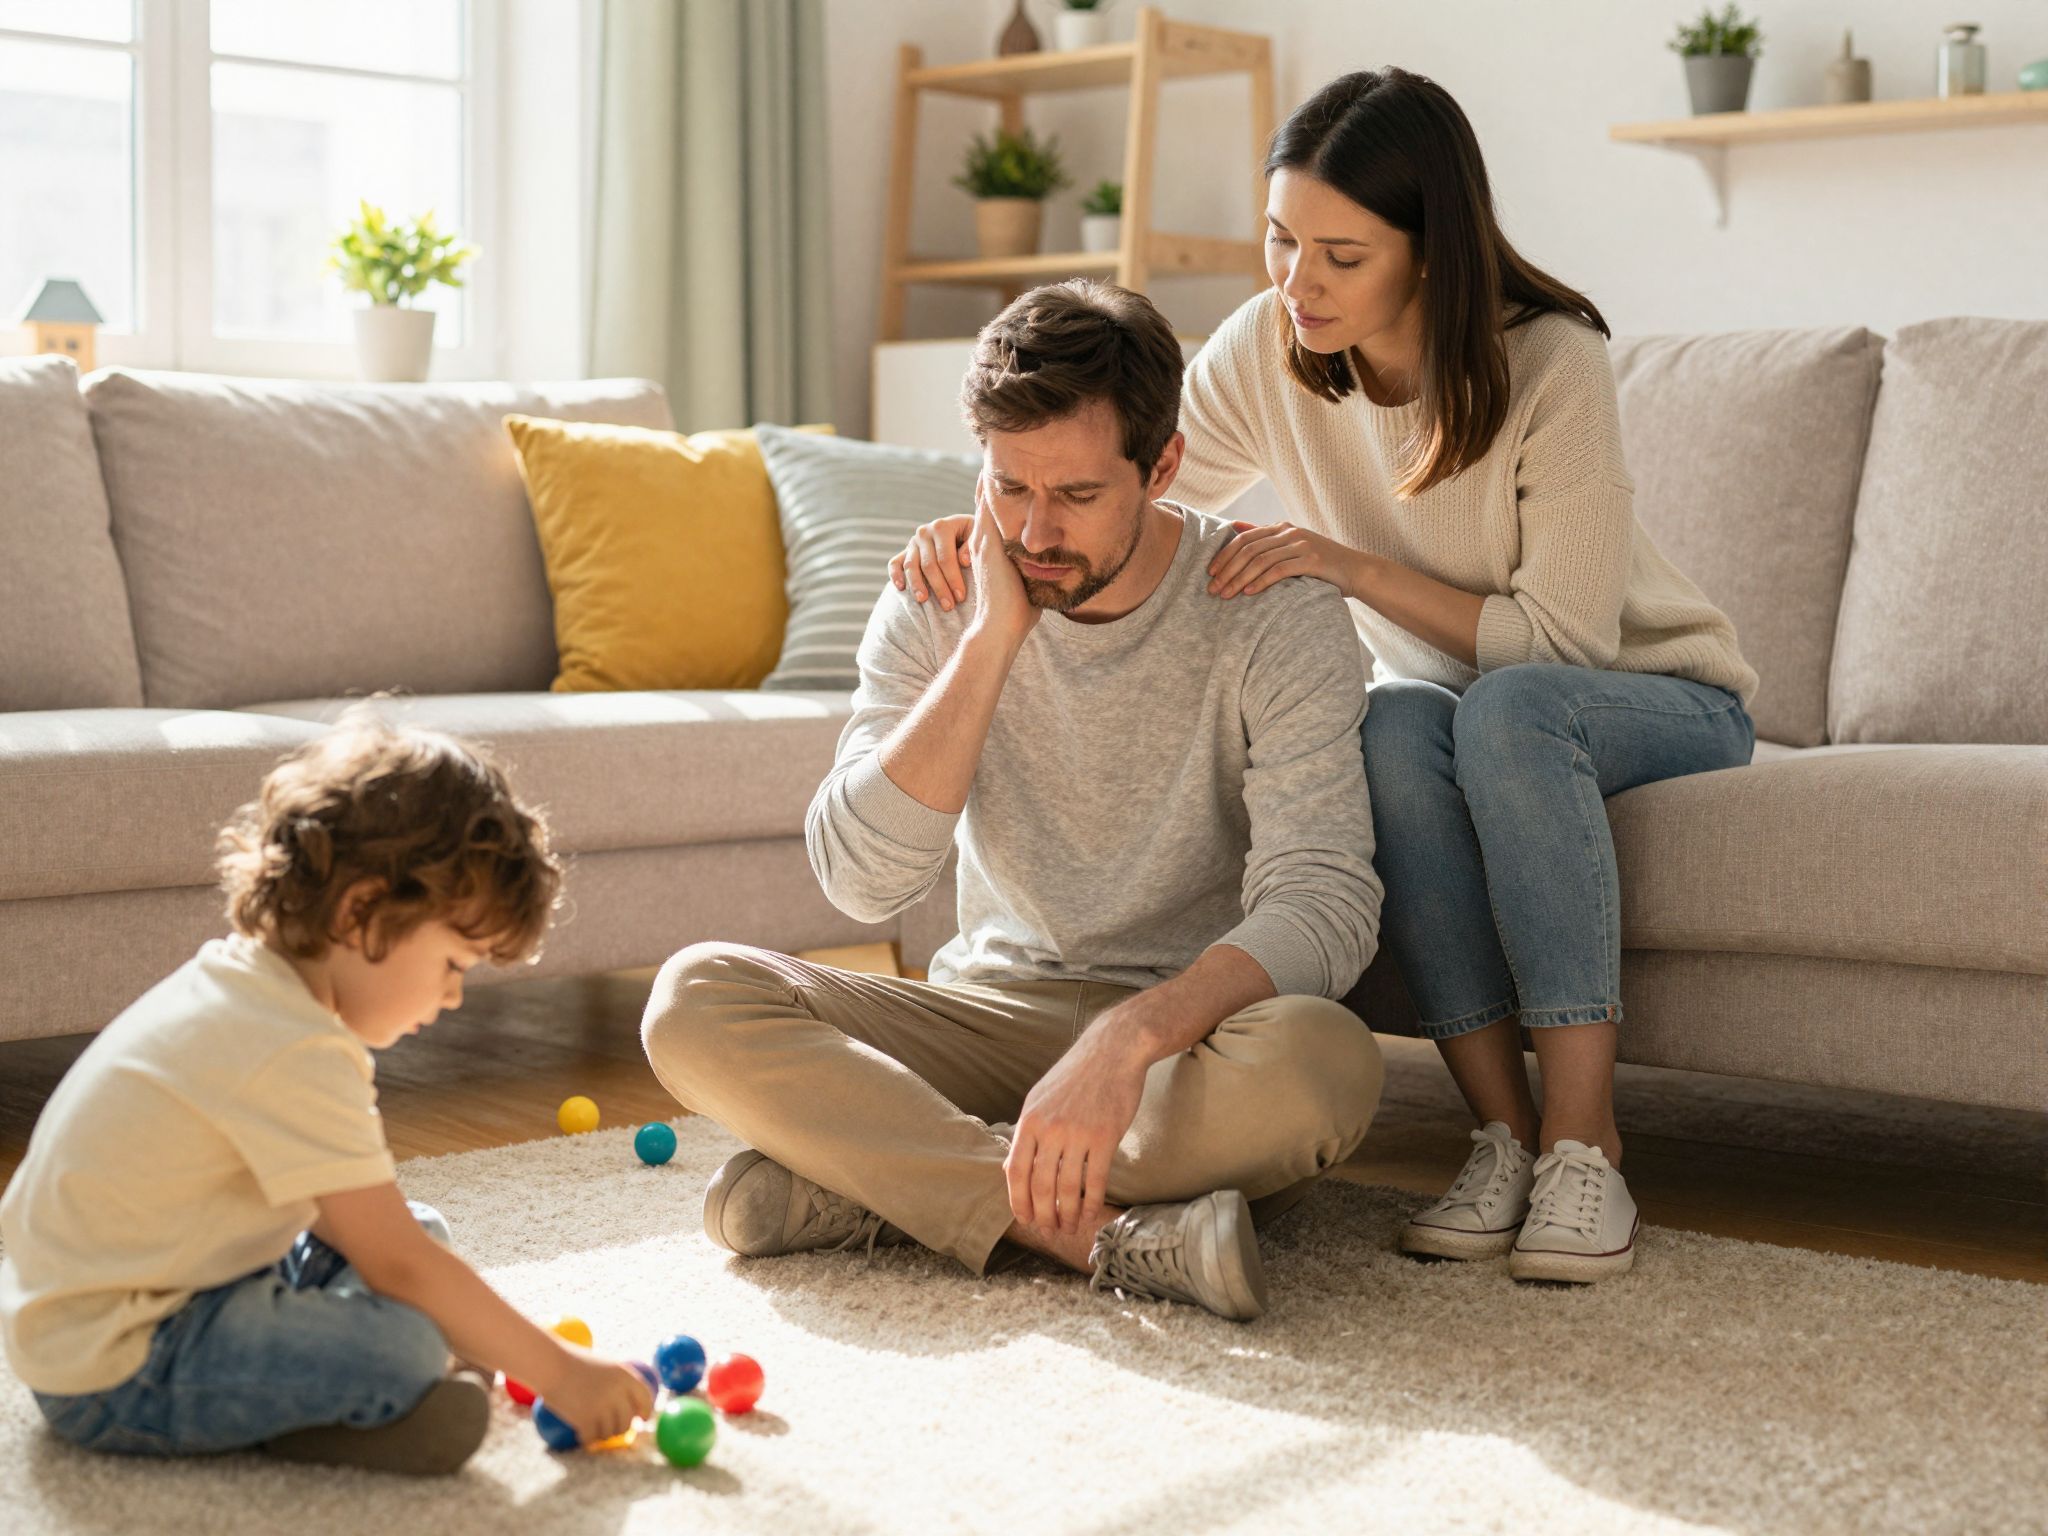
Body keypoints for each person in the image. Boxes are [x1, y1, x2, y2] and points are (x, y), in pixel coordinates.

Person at [888, 68, 1759, 1283]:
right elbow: (1120, 478)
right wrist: (983, 528)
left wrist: (1347, 566)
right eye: (1279, 239)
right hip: (1458, 708)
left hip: (1648, 694)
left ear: (1429, 252)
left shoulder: (1550, 361)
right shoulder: (1270, 347)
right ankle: (1501, 1139)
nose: (1297, 282)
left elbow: (1562, 642)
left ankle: (1581, 1144)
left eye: (1340, 256)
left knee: (1506, 711)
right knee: (1390, 723)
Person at [642, 279, 1385, 1323]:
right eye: (1007, 487)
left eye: (1076, 494)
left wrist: (1127, 1040)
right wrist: (991, 639)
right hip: (984, 1014)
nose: (1035, 532)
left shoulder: (1275, 609)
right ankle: (1088, 1231)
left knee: (1322, 1066)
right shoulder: (942, 596)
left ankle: (882, 1181)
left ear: (1163, 466)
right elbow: (859, 883)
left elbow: (1325, 900)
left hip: (1185, 1047)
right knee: (693, 996)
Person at [0, 720, 653, 1473]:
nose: (453, 997)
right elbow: (397, 1266)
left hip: (175, 1282)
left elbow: (376, 1237)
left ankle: (331, 1386)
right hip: (116, 1363)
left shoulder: (248, 988)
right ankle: (319, 1419)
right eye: (453, 963)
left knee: (420, 1229)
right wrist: (563, 1373)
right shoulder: (289, 1045)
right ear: (359, 911)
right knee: (406, 1340)